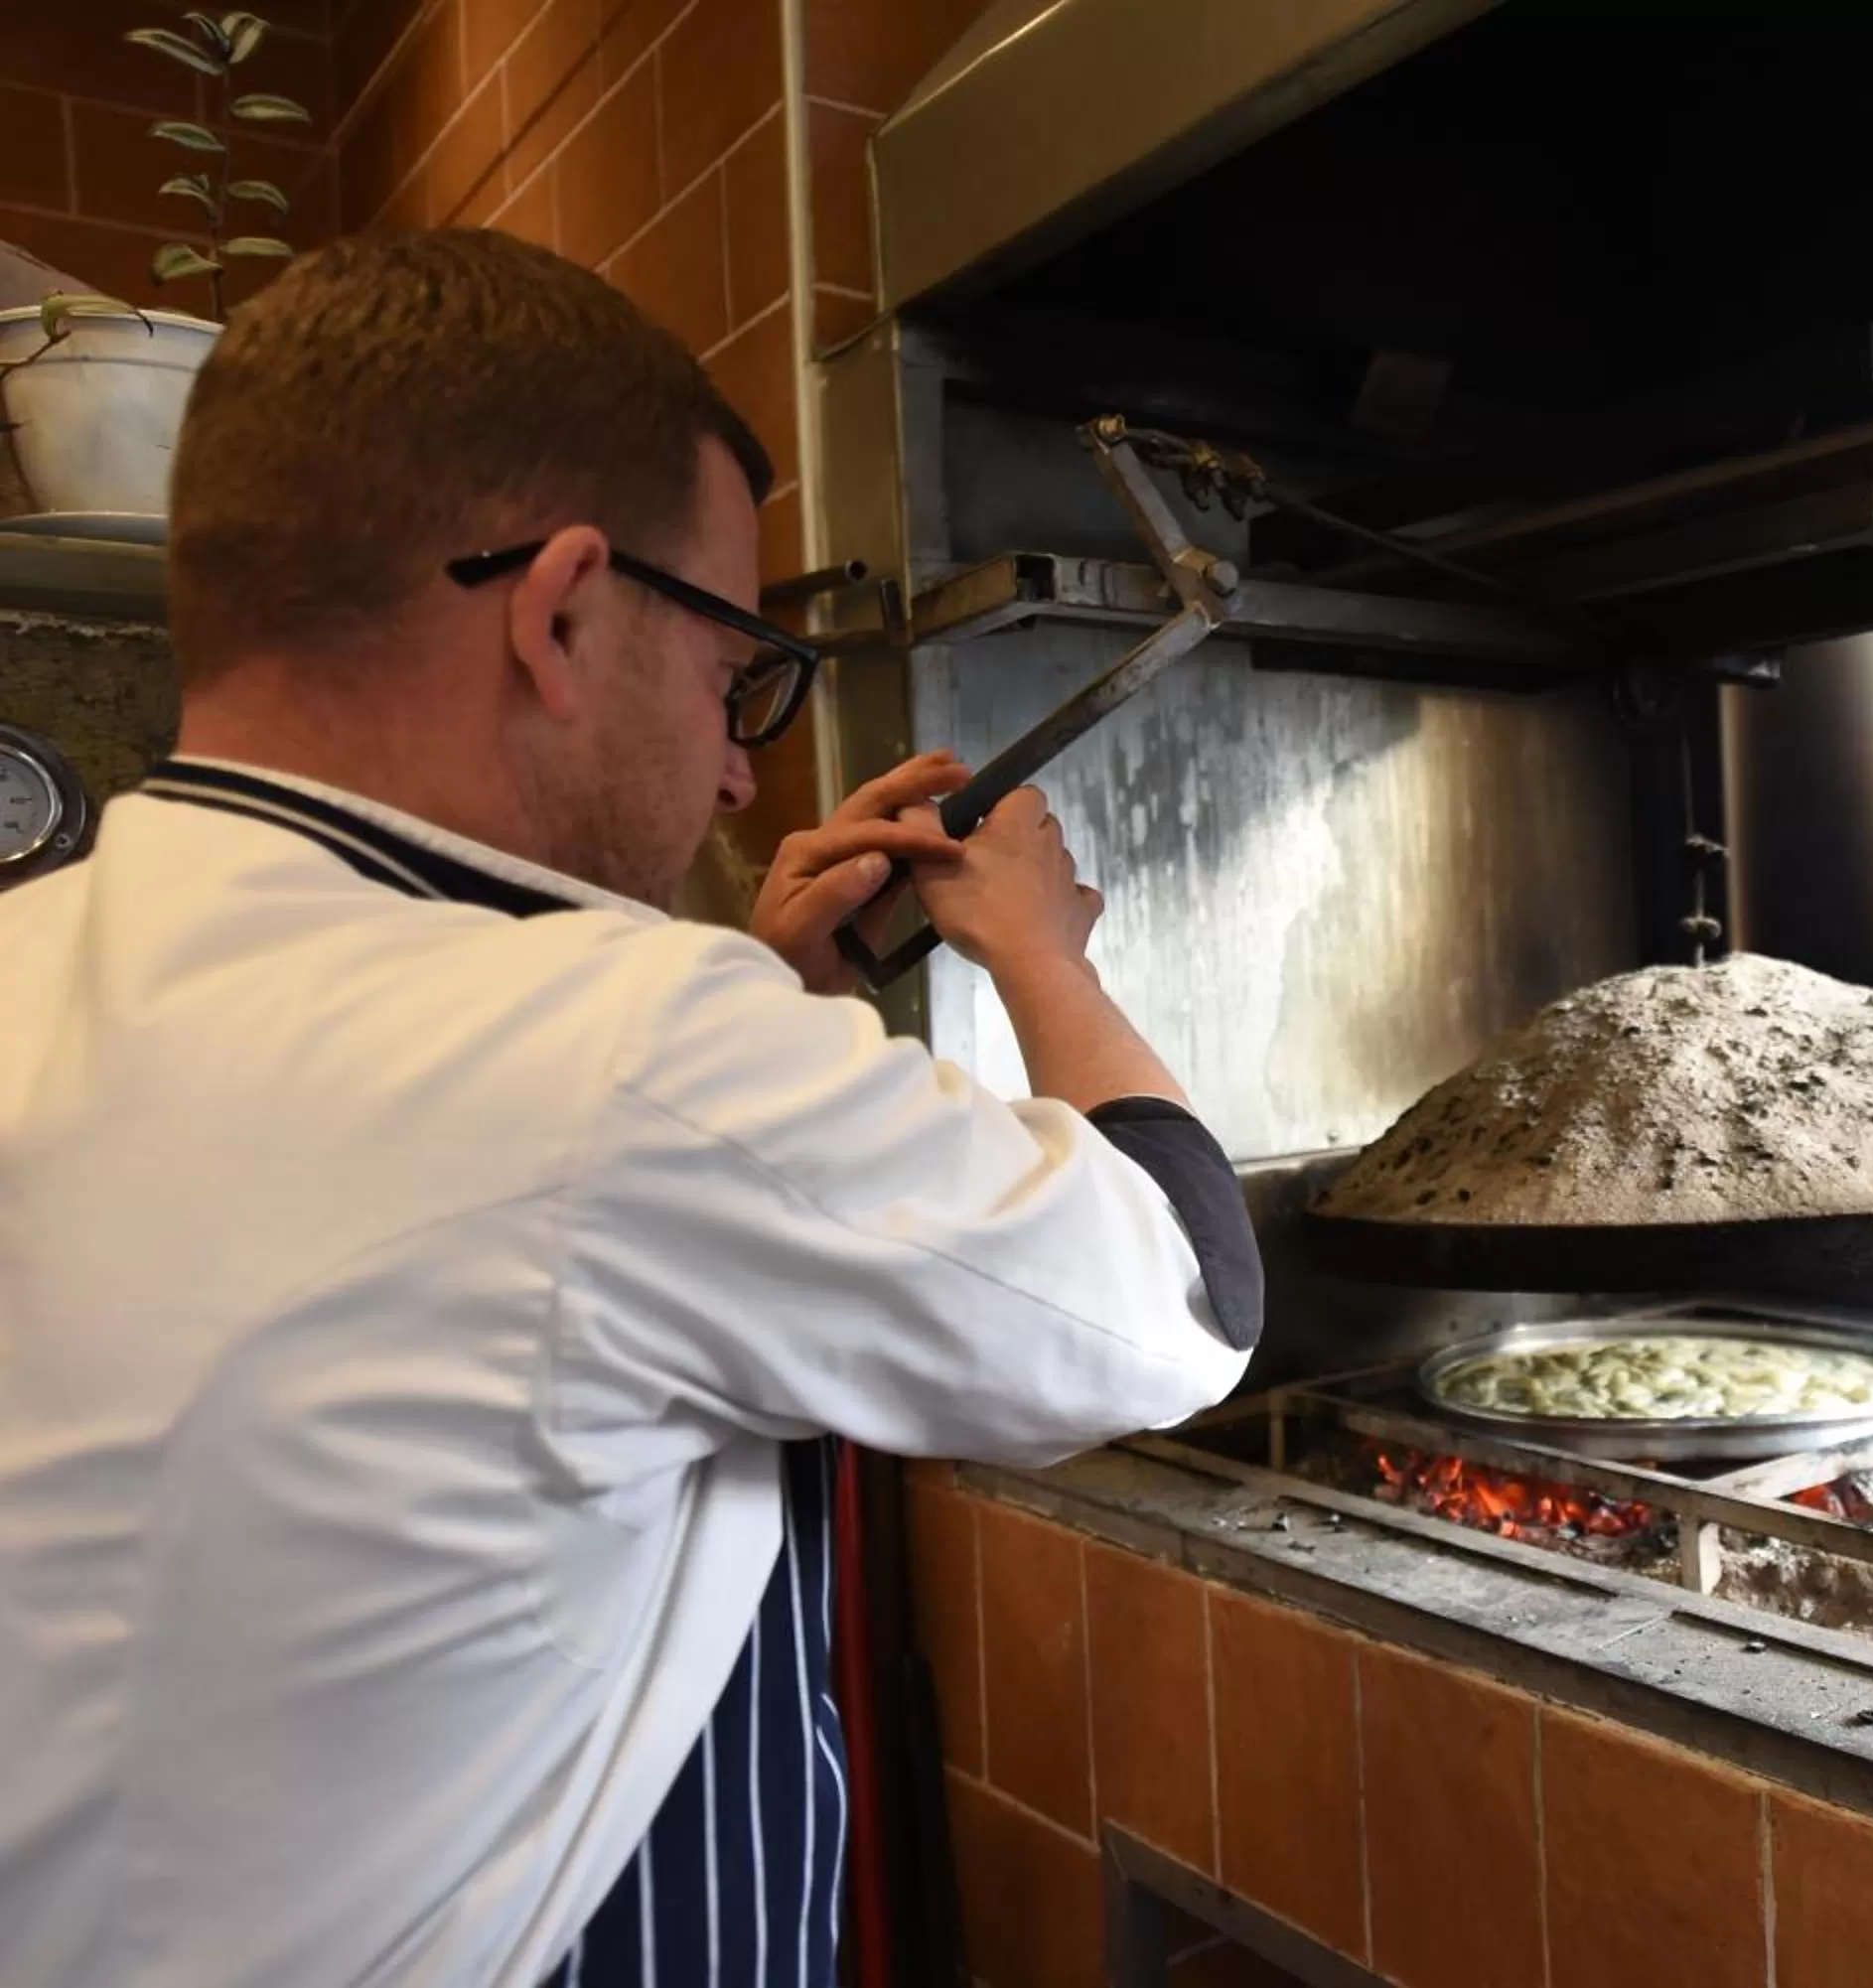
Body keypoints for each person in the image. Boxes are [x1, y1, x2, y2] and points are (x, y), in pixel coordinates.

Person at [0, 228, 1262, 1986]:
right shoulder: (610, 1046)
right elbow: (1188, 1296)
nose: (744, 761)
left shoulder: (37, 958)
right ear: (561, 609)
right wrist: (1050, 956)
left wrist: (781, 1008)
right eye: (735, 669)